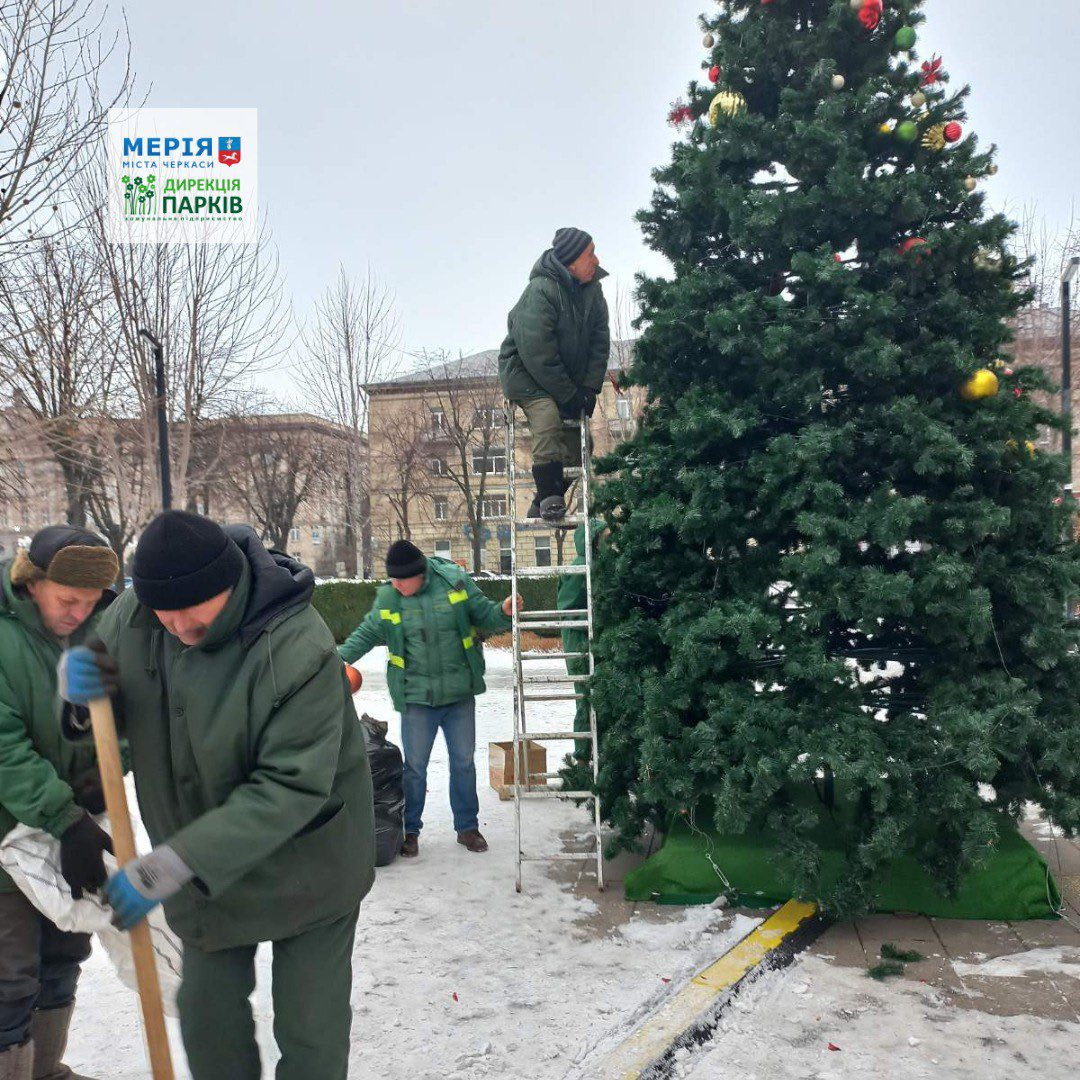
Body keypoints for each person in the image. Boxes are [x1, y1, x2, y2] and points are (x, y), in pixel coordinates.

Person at [57, 511, 374, 1080]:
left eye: (193, 610)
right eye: (162, 611)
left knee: (311, 1033)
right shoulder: (137, 618)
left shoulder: (298, 647)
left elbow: (290, 785)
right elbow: (110, 709)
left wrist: (171, 864)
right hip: (203, 876)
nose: (176, 626)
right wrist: (82, 701)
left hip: (310, 864)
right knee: (206, 1016)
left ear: (230, 586)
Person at [0, 525, 118, 1080]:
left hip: (69, 830)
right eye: (67, 599)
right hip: (7, 840)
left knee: (64, 956)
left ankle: (44, 1070)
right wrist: (65, 817)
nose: (78, 612)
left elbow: (116, 731)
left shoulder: (94, 638)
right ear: (33, 582)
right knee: (9, 977)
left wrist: (100, 772)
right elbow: (4, 750)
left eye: (90, 602)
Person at [339, 539, 520, 858]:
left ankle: (467, 827)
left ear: (418, 573)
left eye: (400, 580)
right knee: (415, 768)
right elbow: (366, 633)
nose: (395, 585)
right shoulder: (389, 598)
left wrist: (503, 612)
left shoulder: (455, 582)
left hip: (458, 694)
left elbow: (485, 615)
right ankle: (410, 832)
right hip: (416, 699)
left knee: (463, 763)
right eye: (392, 579)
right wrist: (337, 659)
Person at [498, 227, 610, 521]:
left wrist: (589, 389)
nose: (596, 260)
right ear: (571, 261)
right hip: (526, 374)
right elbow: (538, 353)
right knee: (548, 418)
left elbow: (600, 342)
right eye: (590, 254)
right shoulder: (540, 292)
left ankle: (542, 501)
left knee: (580, 441)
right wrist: (569, 394)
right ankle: (550, 497)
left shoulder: (593, 292)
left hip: (565, 380)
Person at [556, 521, 605, 764]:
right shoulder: (579, 569)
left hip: (594, 643)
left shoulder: (600, 566)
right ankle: (584, 758)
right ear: (593, 541)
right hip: (579, 645)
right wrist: (595, 619)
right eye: (605, 537)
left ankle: (598, 755)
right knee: (586, 699)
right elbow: (567, 610)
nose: (609, 542)